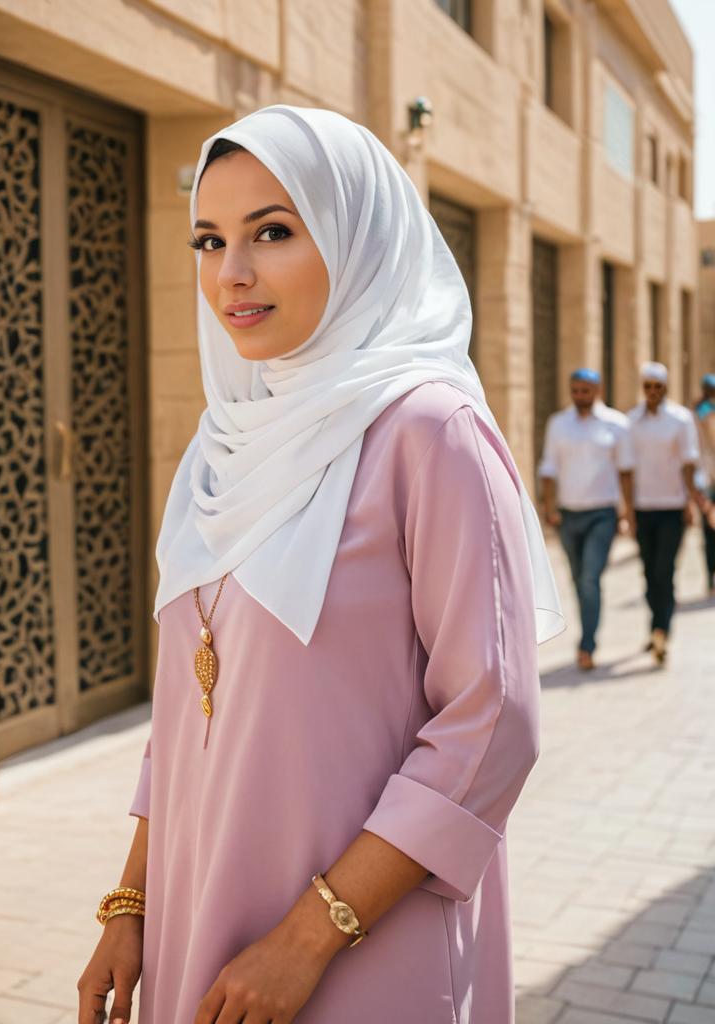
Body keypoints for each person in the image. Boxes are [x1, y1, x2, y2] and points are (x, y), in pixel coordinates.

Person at [77, 105, 563, 1024]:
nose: (233, 273)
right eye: (209, 240)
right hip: (202, 922)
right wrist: (133, 903)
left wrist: (307, 939)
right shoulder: (224, 446)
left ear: (357, 234)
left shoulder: (429, 432)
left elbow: (492, 720)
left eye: (273, 231)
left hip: (362, 948)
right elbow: (188, 705)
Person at [539, 368, 634, 670]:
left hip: (602, 514)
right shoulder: (558, 424)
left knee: (590, 578)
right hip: (569, 516)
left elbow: (626, 471)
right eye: (575, 390)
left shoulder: (617, 425)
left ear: (597, 390)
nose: (580, 396)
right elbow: (549, 469)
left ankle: (587, 646)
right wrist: (549, 508)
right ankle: (588, 633)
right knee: (579, 580)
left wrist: (627, 513)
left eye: (586, 391)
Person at [628, 362, 701, 664]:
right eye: (648, 386)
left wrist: (691, 502)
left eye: (658, 386)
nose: (653, 392)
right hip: (643, 508)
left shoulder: (681, 419)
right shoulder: (631, 421)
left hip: (672, 507)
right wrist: (628, 511)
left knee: (664, 569)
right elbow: (626, 469)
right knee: (648, 572)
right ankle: (656, 625)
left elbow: (688, 463)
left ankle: (662, 631)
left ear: (666, 388)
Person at [693, 373, 715, 594]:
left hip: (706, 480)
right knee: (710, 532)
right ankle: (710, 576)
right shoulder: (701, 414)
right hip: (708, 482)